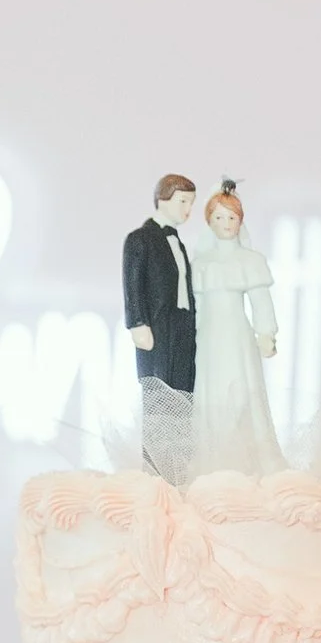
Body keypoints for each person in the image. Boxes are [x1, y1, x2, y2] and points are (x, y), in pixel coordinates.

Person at [188, 181, 285, 474]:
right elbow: (198, 305)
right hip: (208, 338)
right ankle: (210, 459)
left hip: (237, 336)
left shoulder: (250, 261)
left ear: (240, 221)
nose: (226, 223)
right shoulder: (202, 263)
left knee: (242, 389)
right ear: (209, 221)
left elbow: (260, 300)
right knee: (211, 392)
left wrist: (265, 332)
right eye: (219, 217)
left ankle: (251, 461)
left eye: (231, 217)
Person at [125, 171, 201, 470]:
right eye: (183, 201)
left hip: (182, 327)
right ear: (163, 199)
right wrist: (137, 323)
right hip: (156, 329)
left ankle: (179, 467)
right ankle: (156, 469)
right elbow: (132, 284)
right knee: (159, 399)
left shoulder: (178, 243)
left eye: (191, 203)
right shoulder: (140, 239)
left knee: (183, 396)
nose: (187, 210)